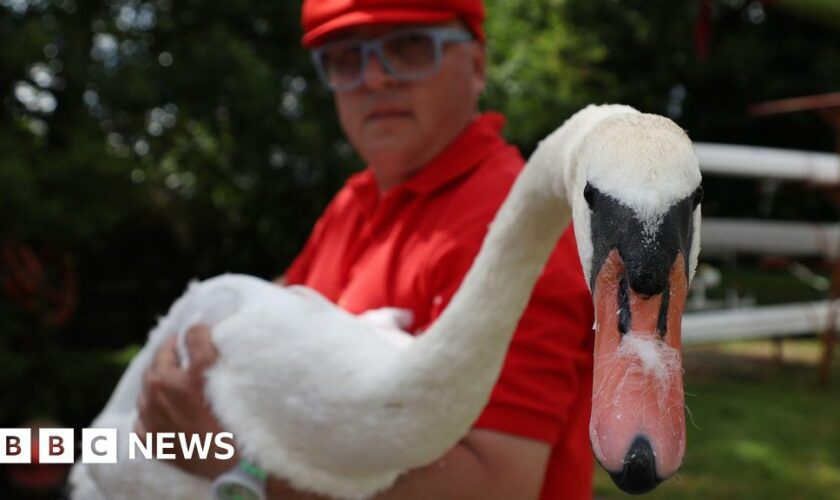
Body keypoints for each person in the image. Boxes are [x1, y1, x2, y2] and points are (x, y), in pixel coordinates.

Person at [135, 1, 596, 498]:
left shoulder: (513, 231)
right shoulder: (354, 203)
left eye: (410, 46)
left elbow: (496, 482)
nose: (374, 78)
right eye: (346, 57)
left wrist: (234, 462)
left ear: (477, 65)